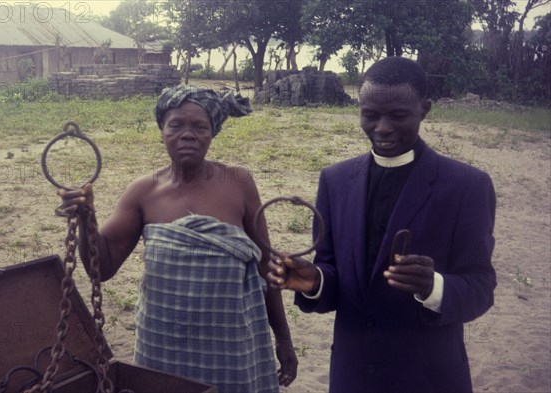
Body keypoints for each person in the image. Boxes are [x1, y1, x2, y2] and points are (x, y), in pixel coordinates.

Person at [267, 57, 496, 393]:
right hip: (352, 375)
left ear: (425, 109)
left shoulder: (467, 185)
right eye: (370, 115)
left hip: (427, 378)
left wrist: (433, 287)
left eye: (399, 115)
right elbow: (333, 271)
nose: (383, 127)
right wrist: (315, 280)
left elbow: (480, 287)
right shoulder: (336, 180)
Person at [59, 85, 298, 392]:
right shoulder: (143, 191)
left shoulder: (239, 183)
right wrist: (85, 218)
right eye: (176, 125)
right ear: (162, 129)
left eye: (200, 126)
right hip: (163, 347)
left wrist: (284, 339)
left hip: (231, 346)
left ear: (213, 132)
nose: (188, 135)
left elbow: (268, 267)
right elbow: (101, 268)